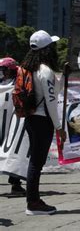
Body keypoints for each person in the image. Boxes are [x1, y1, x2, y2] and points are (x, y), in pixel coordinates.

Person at [21, 30, 67, 215]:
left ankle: (34, 200)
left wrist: (63, 76)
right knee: (36, 163)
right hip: (42, 121)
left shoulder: (28, 68)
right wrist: (59, 127)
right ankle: (33, 203)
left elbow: (53, 92)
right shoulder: (45, 70)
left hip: (31, 119)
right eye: (52, 46)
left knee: (35, 161)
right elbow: (51, 101)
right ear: (47, 49)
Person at [0, 57, 26, 195]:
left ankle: (15, 183)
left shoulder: (19, 82)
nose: (2, 73)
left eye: (3, 70)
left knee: (14, 150)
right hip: (2, 123)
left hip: (14, 122)